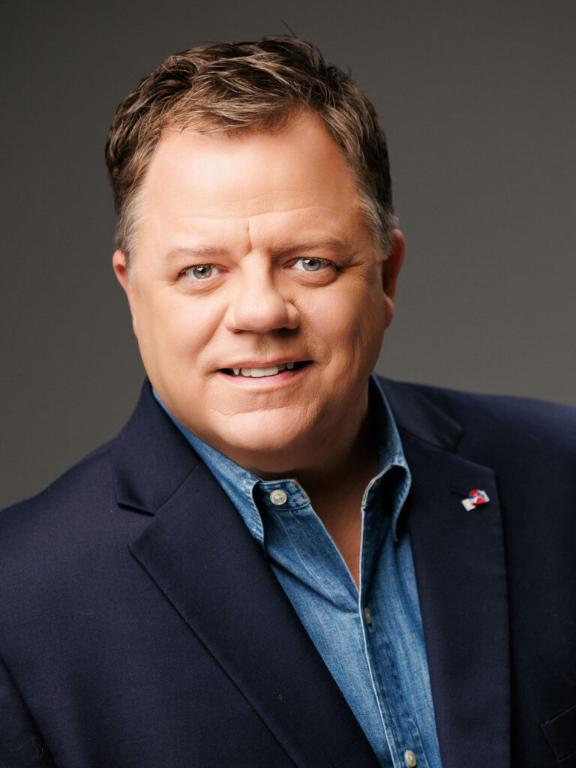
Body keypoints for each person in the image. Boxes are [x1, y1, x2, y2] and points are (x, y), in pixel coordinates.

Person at [0, 36, 574, 768]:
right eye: (202, 270)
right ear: (132, 291)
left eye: (310, 261)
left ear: (387, 275)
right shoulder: (15, 605)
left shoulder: (560, 472)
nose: (261, 312)